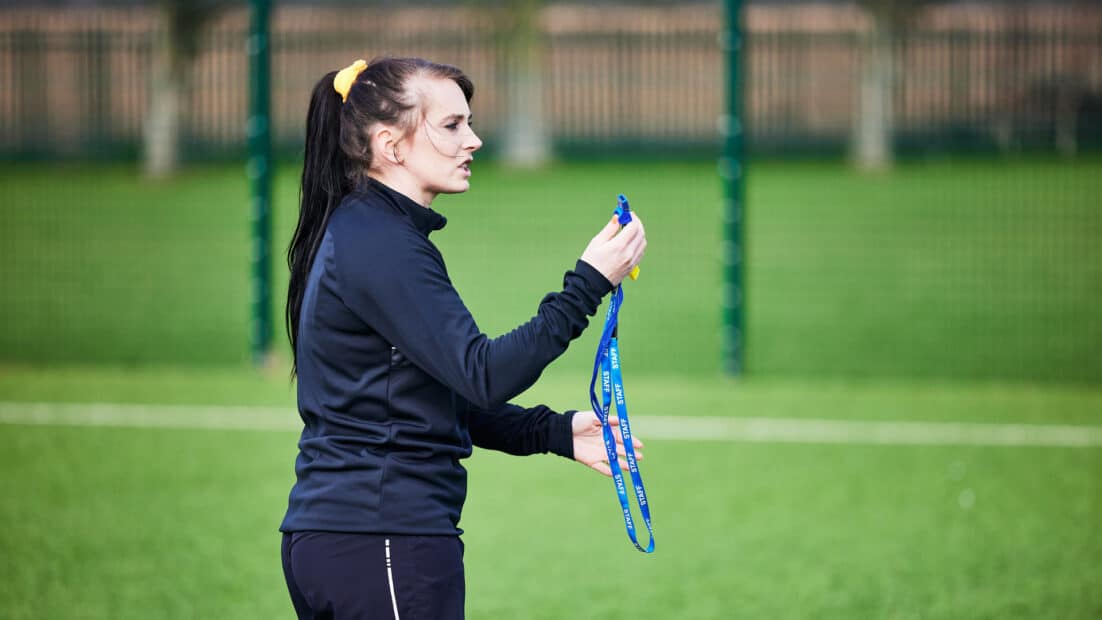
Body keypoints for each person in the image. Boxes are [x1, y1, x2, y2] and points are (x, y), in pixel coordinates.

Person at [279, 56, 647, 620]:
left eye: (468, 122)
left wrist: (553, 432)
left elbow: (431, 397)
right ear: (391, 146)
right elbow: (483, 373)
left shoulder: (371, 232)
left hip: (351, 540)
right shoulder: (381, 244)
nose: (473, 140)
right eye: (452, 125)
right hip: (382, 540)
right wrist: (588, 285)